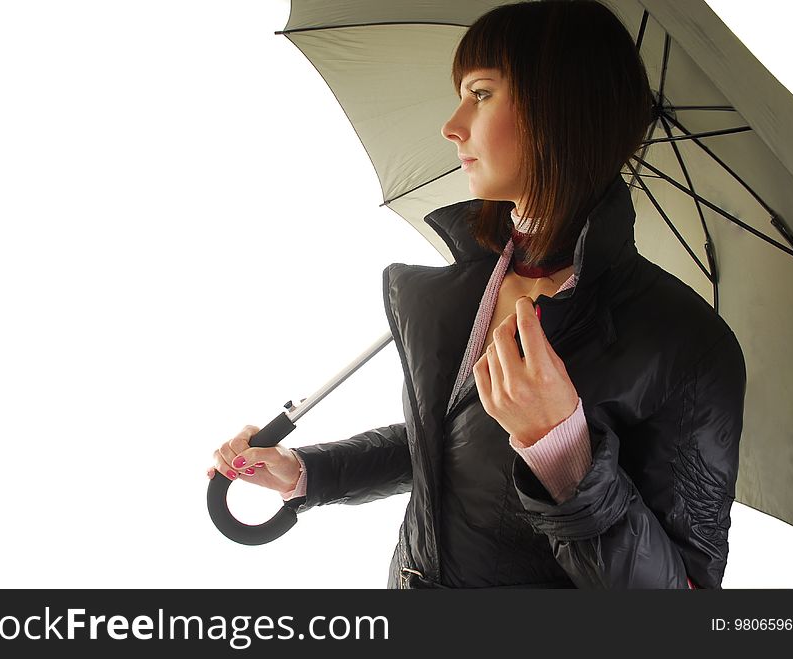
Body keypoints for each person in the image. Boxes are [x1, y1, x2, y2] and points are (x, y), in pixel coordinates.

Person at [207, 0, 746, 589]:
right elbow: (446, 448)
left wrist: (565, 454)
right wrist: (304, 472)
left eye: (482, 94)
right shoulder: (473, 282)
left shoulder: (685, 343)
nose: (452, 124)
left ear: (558, 109)